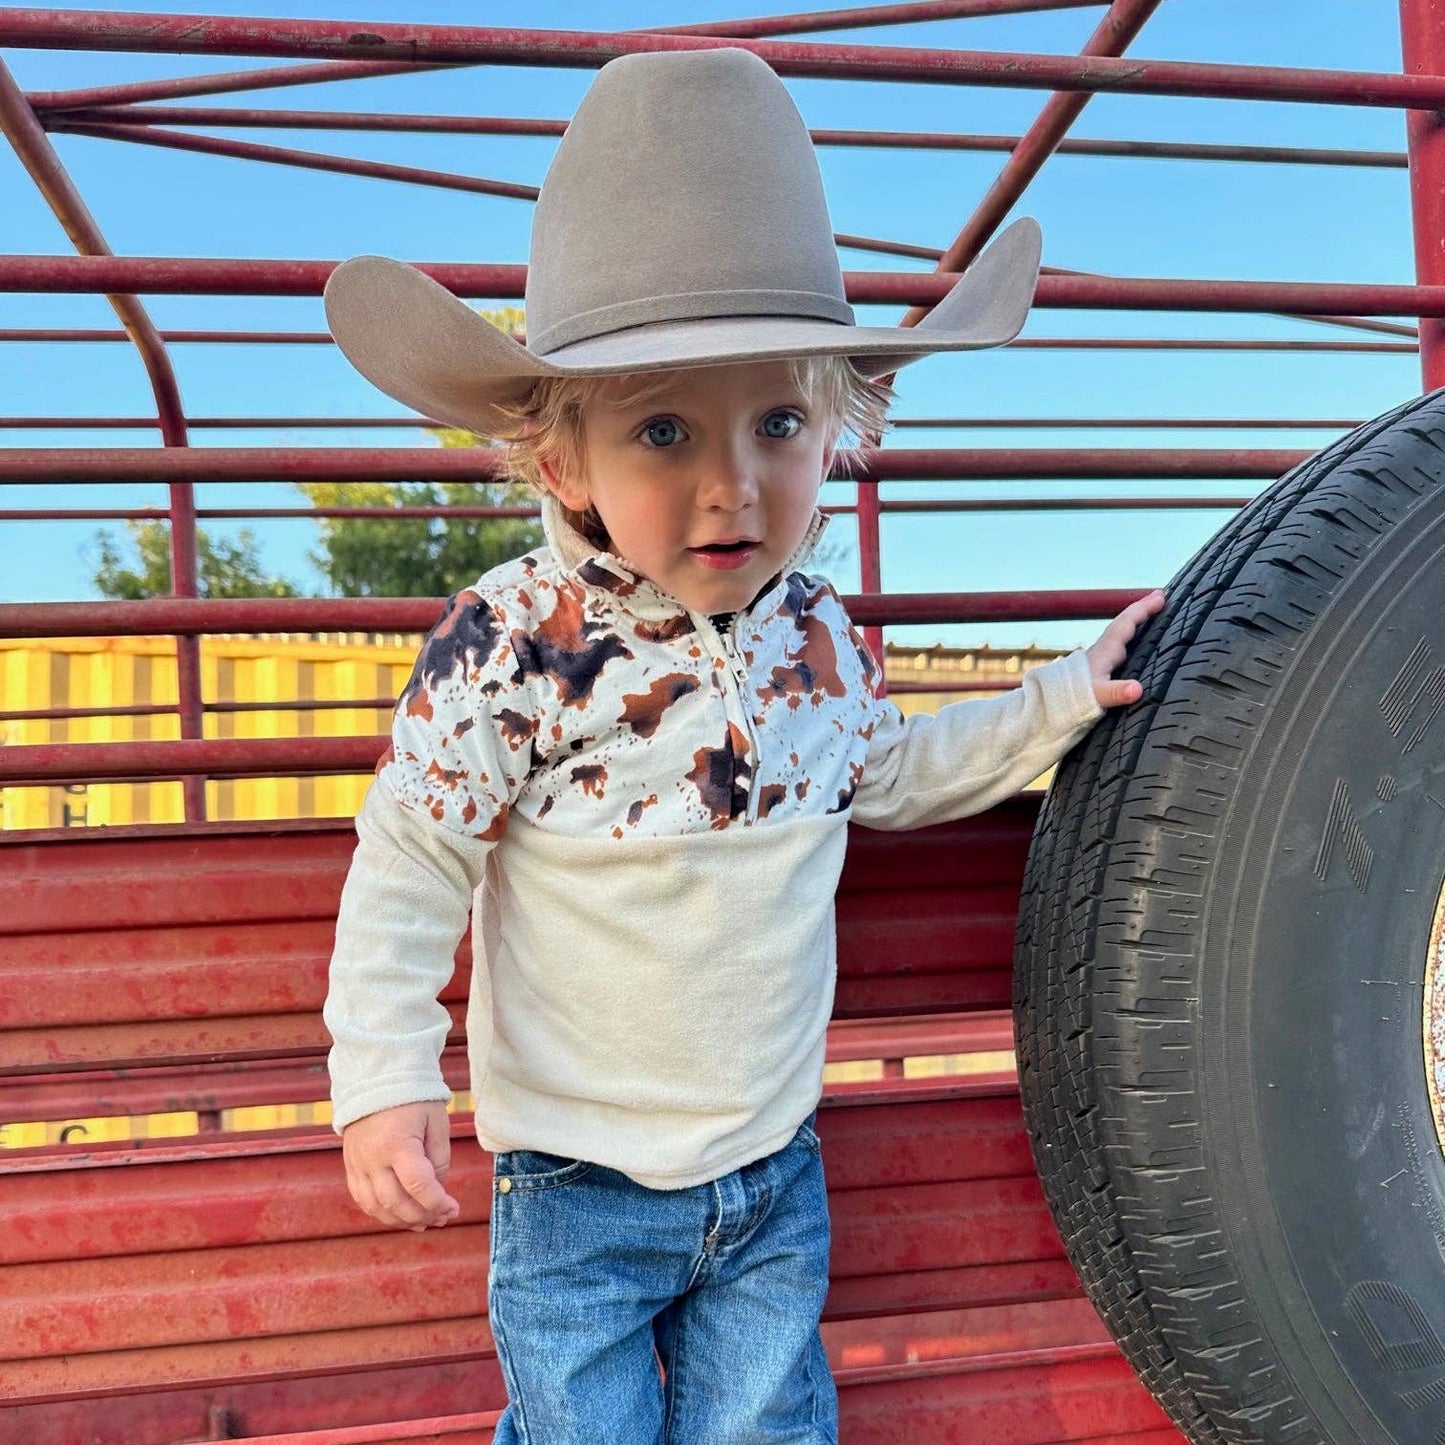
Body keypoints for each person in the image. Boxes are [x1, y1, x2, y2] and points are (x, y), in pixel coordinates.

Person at [321, 45, 1165, 1445]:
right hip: (576, 1182)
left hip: (769, 1169)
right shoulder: (512, 639)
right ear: (561, 462)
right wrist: (383, 1078)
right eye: (663, 430)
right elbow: (410, 856)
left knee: (767, 1427)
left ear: (837, 425)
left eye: (778, 421)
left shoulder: (815, 634)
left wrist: (1061, 700)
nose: (734, 485)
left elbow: (885, 771)